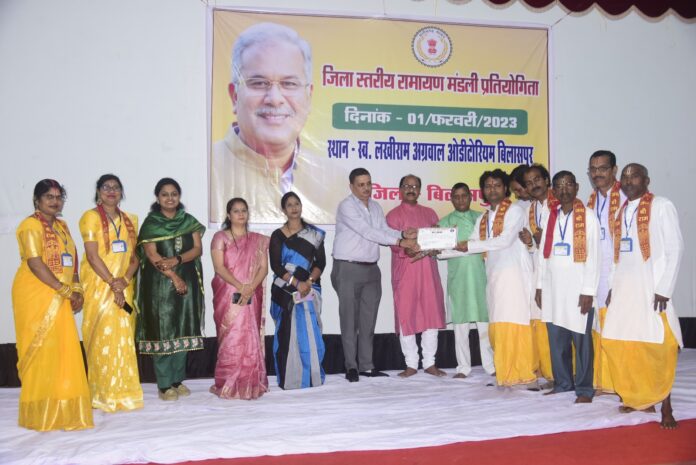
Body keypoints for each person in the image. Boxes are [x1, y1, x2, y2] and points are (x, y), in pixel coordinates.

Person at [210, 22, 344, 224]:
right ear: (234, 96)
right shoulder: (206, 169)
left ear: (309, 97)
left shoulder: (336, 181)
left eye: (289, 84)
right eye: (259, 83)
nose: (274, 99)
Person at [602, 163, 683, 429]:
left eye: (634, 176)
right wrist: (613, 286)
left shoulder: (661, 206)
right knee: (624, 344)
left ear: (646, 180)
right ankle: (639, 398)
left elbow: (675, 249)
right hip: (625, 290)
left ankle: (666, 406)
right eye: (624, 177)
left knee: (658, 346)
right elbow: (618, 255)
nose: (628, 181)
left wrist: (664, 289)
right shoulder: (622, 211)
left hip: (652, 289)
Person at [11, 179, 93, 431]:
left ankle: (63, 409)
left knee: (62, 350)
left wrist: (76, 287)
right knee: (41, 351)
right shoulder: (30, 225)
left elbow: (72, 259)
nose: (55, 201)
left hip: (60, 293)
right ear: (37, 200)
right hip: (36, 294)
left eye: (59, 197)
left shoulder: (62, 226)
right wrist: (64, 290)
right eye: (49, 197)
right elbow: (35, 263)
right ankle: (42, 412)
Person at [331, 168, 418, 382]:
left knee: (368, 321)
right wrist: (400, 242)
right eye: (361, 185)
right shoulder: (346, 206)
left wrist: (401, 234)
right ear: (351, 187)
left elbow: (384, 230)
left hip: (371, 269)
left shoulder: (376, 206)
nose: (366, 188)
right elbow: (367, 232)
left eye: (368, 183)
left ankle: (367, 366)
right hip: (348, 267)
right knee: (349, 320)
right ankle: (351, 366)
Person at [456, 169, 537, 388]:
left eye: (497, 185)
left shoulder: (515, 211)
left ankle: (522, 373)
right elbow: (469, 244)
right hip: (493, 277)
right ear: (483, 190)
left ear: (505, 188)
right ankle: (505, 373)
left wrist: (468, 245)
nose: (492, 190)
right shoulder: (483, 218)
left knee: (515, 323)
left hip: (514, 276)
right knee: (498, 325)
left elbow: (504, 241)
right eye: (488, 186)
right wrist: (437, 250)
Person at [137, 178, 206, 401]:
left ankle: (177, 380)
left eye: (174, 193)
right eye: (165, 194)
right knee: (163, 329)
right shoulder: (151, 223)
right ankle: (164, 384)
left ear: (179, 196)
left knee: (183, 327)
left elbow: (197, 249)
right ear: (158, 198)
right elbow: (152, 255)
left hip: (187, 280)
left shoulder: (189, 221)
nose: (170, 198)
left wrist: (177, 260)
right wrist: (174, 277)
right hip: (159, 285)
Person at [535, 171, 600, 403]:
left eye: (568, 185)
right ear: (553, 190)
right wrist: (539, 286)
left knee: (581, 342)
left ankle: (584, 389)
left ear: (577, 187)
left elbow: (594, 257)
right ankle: (563, 383)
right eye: (559, 186)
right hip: (553, 289)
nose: (564, 190)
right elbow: (542, 255)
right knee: (557, 340)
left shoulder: (588, 217)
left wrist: (588, 291)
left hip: (578, 291)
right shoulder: (550, 216)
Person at [80, 174, 143, 412]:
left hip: (124, 286)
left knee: (124, 336)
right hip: (99, 286)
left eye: (116, 187)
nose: (111, 191)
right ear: (98, 191)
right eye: (106, 187)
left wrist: (124, 281)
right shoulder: (90, 217)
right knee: (101, 337)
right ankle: (102, 393)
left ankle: (125, 392)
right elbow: (92, 255)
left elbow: (135, 257)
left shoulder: (131, 220)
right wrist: (112, 283)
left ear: (121, 192)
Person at [386, 175, 446, 377]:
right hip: (405, 273)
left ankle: (429, 363)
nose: (411, 189)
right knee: (406, 315)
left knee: (431, 315)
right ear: (400, 190)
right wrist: (406, 249)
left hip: (428, 272)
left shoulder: (430, 213)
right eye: (407, 186)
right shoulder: (393, 216)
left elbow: (438, 240)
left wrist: (437, 247)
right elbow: (392, 243)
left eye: (415, 186)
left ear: (420, 191)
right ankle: (411, 363)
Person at [210, 198, 270, 399]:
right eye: (236, 211)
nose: (241, 214)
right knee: (232, 337)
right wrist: (240, 286)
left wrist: (250, 287)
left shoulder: (258, 240)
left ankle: (250, 383)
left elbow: (264, 268)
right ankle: (228, 383)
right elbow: (219, 267)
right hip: (228, 293)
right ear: (229, 215)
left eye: (244, 210)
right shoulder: (220, 237)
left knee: (249, 335)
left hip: (251, 292)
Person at [269, 192, 326, 389]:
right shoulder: (277, 235)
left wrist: (308, 282)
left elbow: (320, 263)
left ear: (301, 206)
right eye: (289, 205)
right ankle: (290, 378)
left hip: (309, 288)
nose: (294, 208)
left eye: (297, 204)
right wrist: (296, 283)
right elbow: (276, 266)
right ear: (284, 210)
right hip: (285, 290)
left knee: (309, 333)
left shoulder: (314, 234)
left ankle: (312, 376)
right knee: (286, 333)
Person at [437, 182, 493, 379]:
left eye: (464, 196)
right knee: (460, 326)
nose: (461, 200)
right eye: (456, 196)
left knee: (485, 324)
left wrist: (463, 247)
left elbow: (490, 245)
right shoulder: (444, 223)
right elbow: (439, 253)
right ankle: (463, 367)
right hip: (458, 280)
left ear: (471, 197)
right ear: (451, 199)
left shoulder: (483, 218)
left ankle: (490, 365)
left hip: (481, 278)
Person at [586, 150, 625, 394]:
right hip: (596, 274)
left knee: (616, 327)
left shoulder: (625, 198)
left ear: (614, 170)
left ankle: (618, 381)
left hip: (617, 273)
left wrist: (617, 280)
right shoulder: (591, 201)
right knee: (599, 327)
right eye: (593, 169)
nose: (597, 173)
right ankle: (603, 380)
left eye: (602, 168)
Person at [519, 163, 555, 386]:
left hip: (559, 272)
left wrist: (547, 239)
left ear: (547, 180)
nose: (534, 185)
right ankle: (546, 371)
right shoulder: (530, 210)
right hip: (538, 270)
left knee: (556, 322)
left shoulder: (561, 204)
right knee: (539, 320)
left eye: (537, 180)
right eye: (529, 183)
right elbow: (534, 247)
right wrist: (530, 242)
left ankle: (560, 373)